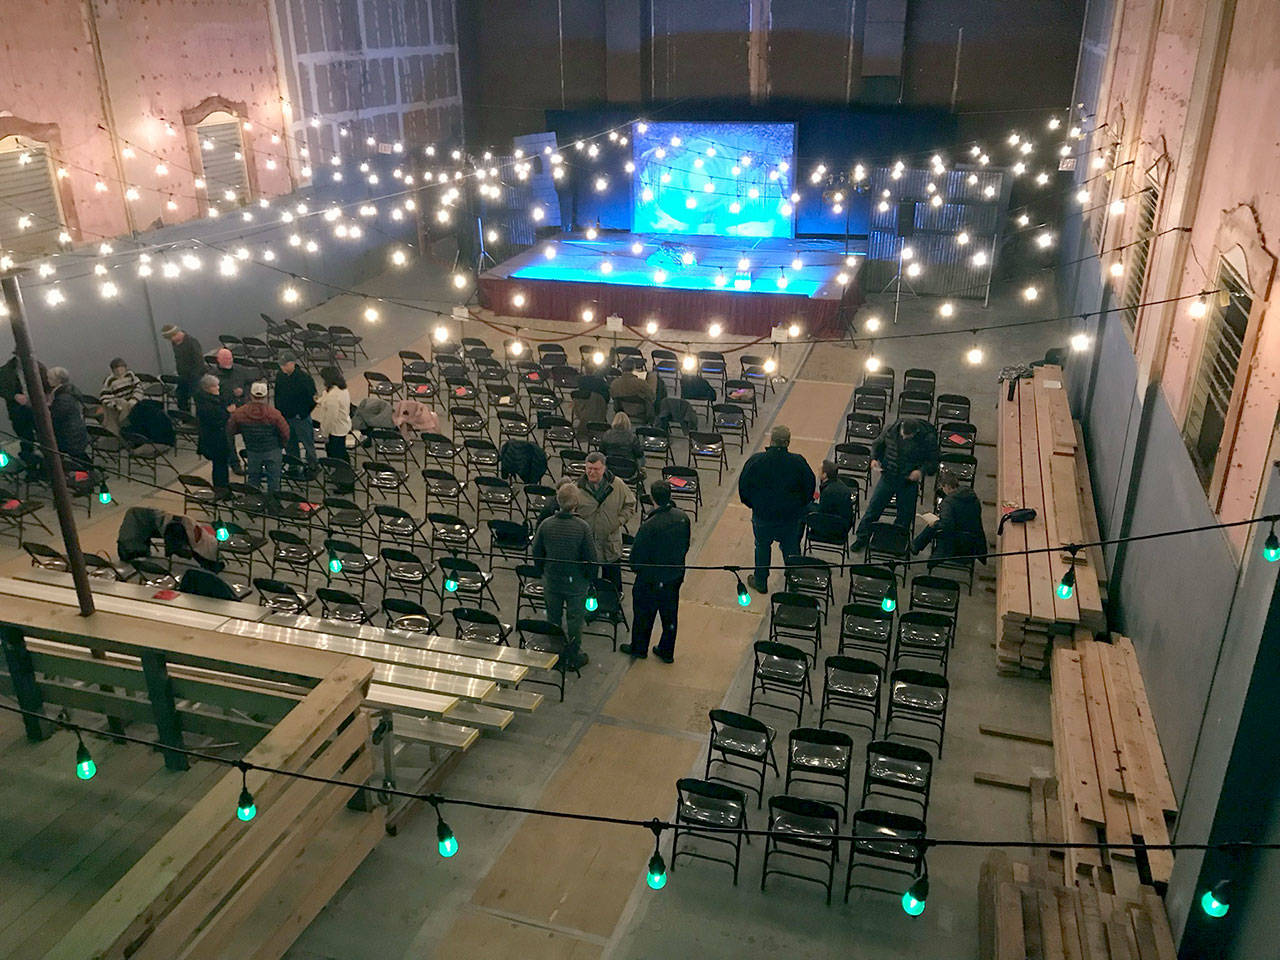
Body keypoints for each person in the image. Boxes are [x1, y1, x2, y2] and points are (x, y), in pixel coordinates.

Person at [737, 424, 816, 594]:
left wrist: (754, 505)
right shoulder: (798, 462)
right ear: (787, 442)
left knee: (762, 547)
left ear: (771, 441)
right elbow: (810, 486)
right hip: (790, 517)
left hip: (763, 516)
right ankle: (794, 582)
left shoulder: (756, 461)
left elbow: (743, 487)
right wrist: (799, 506)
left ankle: (760, 581)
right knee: (791, 549)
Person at [621, 481, 690, 663]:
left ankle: (639, 648)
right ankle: (666, 650)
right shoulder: (682, 518)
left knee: (643, 615)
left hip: (650, 579)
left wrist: (638, 568)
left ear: (652, 498)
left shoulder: (649, 525)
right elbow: (685, 545)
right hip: (673, 576)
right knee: (669, 615)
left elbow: (636, 557)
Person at [531, 483, 596, 670]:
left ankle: (555, 652)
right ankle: (573, 654)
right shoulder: (582, 527)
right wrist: (589, 579)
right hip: (576, 582)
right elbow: (591, 557)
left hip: (552, 580)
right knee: (575, 619)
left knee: (553, 617)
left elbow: (536, 551)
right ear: (576, 503)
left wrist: (543, 571)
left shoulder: (546, 524)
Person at [851, 417, 939, 550]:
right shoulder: (891, 430)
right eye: (903, 435)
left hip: (908, 482)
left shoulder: (927, 439)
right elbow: (877, 444)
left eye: (908, 437)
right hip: (888, 477)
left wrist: (920, 471)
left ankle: (897, 542)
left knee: (905, 516)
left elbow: (933, 461)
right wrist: (874, 458)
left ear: (915, 433)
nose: (904, 438)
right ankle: (862, 538)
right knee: (873, 509)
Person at [576, 451, 637, 593]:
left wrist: (619, 521)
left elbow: (630, 505)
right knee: (587, 584)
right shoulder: (577, 488)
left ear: (604, 468)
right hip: (587, 544)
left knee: (612, 585)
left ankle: (613, 603)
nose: (592, 472)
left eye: (596, 469)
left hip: (610, 543)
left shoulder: (617, 485)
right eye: (589, 469)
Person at [913, 468, 987, 567]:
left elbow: (946, 525)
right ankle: (916, 546)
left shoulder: (949, 502)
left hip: (957, 545)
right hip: (973, 543)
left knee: (934, 525)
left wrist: (935, 523)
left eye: (942, 487)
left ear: (947, 486)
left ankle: (916, 546)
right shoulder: (971, 496)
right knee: (936, 524)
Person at [227, 381, 288, 493]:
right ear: (266, 396)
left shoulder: (240, 413)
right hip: (272, 449)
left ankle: (253, 501)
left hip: (252, 449)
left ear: (251, 395)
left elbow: (230, 429)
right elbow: (285, 432)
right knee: (274, 479)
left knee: (253, 479)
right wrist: (282, 444)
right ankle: (273, 501)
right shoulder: (274, 413)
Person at [0, 354, 48, 466]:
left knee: (44, 436)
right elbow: (1, 388)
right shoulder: (5, 371)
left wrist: (47, 397)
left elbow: (47, 384)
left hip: (37, 409)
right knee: (25, 438)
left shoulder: (39, 367)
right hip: (18, 411)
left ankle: (47, 463)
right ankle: (31, 464)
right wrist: (14, 396)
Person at [273, 352, 317, 473]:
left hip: (300, 418)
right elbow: (277, 395)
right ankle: (294, 465)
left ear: (292, 363)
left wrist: (302, 414)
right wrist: (278, 412)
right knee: (289, 442)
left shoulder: (304, 378)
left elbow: (312, 399)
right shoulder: (280, 376)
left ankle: (313, 464)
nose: (282, 367)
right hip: (285, 416)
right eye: (281, 365)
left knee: (307, 442)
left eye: (284, 365)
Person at [194, 373, 232, 492]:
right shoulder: (207, 404)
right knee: (220, 465)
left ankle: (222, 487)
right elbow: (216, 420)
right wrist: (228, 412)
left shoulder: (208, 399)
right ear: (208, 388)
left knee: (220, 465)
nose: (218, 388)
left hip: (215, 437)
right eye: (215, 386)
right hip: (215, 439)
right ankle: (222, 489)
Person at [47, 367, 90, 470]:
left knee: (80, 460)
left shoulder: (64, 398)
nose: (47, 380)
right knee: (79, 458)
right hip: (74, 432)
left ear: (58, 380)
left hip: (70, 435)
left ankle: (91, 474)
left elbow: (55, 416)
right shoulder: (67, 391)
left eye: (50, 378)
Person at [160, 324, 205, 412]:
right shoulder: (174, 343)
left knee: (198, 398)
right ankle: (185, 414)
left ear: (176, 333)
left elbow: (199, 362)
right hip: (182, 375)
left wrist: (194, 376)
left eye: (171, 338)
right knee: (180, 397)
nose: (171, 340)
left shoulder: (192, 342)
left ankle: (199, 415)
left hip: (195, 376)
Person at [810, 459, 855, 535]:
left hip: (833, 528)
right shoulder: (840, 484)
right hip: (844, 525)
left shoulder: (827, 492)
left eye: (819, 470)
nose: (818, 471)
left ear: (825, 475)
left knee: (803, 510)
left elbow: (822, 512)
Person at [316, 366, 351, 461]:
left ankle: (342, 468)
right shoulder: (342, 389)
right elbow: (325, 397)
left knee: (335, 454)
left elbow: (331, 417)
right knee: (340, 451)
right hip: (342, 425)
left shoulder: (333, 395)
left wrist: (325, 433)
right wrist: (319, 400)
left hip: (334, 429)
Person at [100, 357, 142, 434]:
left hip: (133, 401)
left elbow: (139, 388)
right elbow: (105, 397)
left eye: (122, 369)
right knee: (123, 407)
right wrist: (115, 406)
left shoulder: (131, 375)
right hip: (119, 405)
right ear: (113, 371)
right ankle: (125, 429)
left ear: (125, 368)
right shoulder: (109, 381)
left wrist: (134, 399)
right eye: (117, 370)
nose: (119, 372)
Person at [609, 359, 655, 423]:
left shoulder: (614, 384)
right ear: (633, 368)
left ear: (621, 368)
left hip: (621, 414)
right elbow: (652, 397)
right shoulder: (641, 384)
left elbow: (613, 396)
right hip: (640, 414)